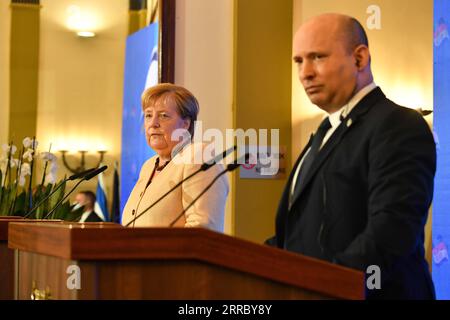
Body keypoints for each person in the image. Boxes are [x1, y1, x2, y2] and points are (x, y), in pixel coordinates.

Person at [267, 13, 436, 299]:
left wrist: (322, 287)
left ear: (359, 59)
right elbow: (291, 237)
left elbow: (391, 232)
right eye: (299, 61)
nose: (305, 72)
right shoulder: (323, 132)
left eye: (317, 57)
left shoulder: (398, 125)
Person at [121, 83, 228, 231]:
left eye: (163, 116)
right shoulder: (149, 166)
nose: (153, 124)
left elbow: (203, 228)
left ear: (185, 124)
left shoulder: (198, 156)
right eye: (148, 115)